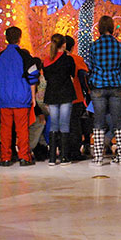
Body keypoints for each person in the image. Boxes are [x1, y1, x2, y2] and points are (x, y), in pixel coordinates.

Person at [0, 26, 39, 167]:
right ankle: (24, 157)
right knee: (22, 130)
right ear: (19, 38)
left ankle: (4, 158)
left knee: (5, 130)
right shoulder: (24, 56)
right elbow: (33, 75)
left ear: (6, 38)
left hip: (4, 99)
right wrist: (33, 97)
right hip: (21, 98)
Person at [88, 15, 121, 165]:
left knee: (98, 121)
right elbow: (120, 66)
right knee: (118, 121)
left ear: (99, 28)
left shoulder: (94, 46)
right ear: (112, 27)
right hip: (116, 85)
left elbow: (91, 66)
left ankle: (98, 158)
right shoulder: (119, 45)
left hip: (98, 86)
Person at [43, 34, 76, 166]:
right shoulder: (68, 60)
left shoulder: (46, 60)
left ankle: (52, 158)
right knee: (64, 125)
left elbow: (46, 77)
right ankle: (64, 157)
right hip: (66, 94)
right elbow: (73, 74)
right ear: (64, 45)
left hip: (51, 95)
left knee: (53, 125)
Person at [64, 35, 91, 160]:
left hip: (60, 98)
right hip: (76, 97)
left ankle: (64, 151)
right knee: (75, 125)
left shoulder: (54, 59)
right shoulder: (77, 60)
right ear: (73, 47)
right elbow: (83, 77)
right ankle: (75, 152)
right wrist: (88, 92)